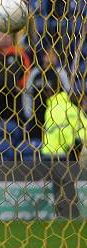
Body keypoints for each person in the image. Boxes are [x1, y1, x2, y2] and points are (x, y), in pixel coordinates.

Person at [40, 73, 86, 219]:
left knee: (62, 185)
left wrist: (69, 146)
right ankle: (68, 214)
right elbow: (82, 127)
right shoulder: (68, 106)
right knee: (65, 184)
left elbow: (65, 129)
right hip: (61, 152)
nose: (45, 92)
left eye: (46, 89)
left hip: (58, 153)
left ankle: (67, 214)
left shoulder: (56, 106)